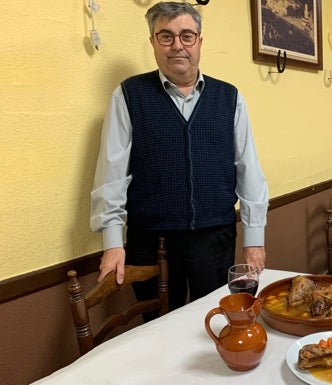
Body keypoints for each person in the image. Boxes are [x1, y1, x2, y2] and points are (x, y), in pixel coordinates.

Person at [90, 2, 269, 314]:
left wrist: (254, 239)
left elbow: (248, 169)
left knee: (216, 321)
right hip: (151, 243)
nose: (177, 46)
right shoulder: (128, 95)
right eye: (166, 36)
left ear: (199, 41)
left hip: (214, 238)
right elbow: (112, 174)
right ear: (152, 42)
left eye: (187, 36)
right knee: (157, 330)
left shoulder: (230, 98)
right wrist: (113, 242)